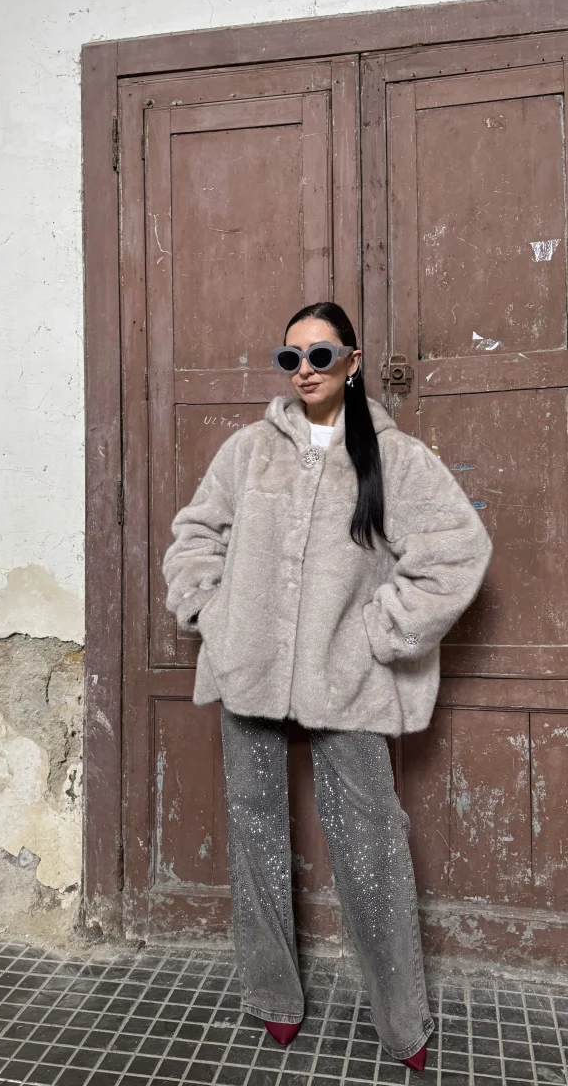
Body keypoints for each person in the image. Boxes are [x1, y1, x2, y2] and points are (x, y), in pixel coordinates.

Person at [162, 301, 492, 1072]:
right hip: (247, 672)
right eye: (291, 358)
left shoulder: (395, 458)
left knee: (372, 842)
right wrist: (213, 613)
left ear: (352, 360)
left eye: (320, 354)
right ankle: (272, 997)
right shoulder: (247, 451)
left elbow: (456, 552)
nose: (305, 370)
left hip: (347, 680)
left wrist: (378, 637)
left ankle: (402, 1022)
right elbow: (195, 534)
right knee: (254, 834)